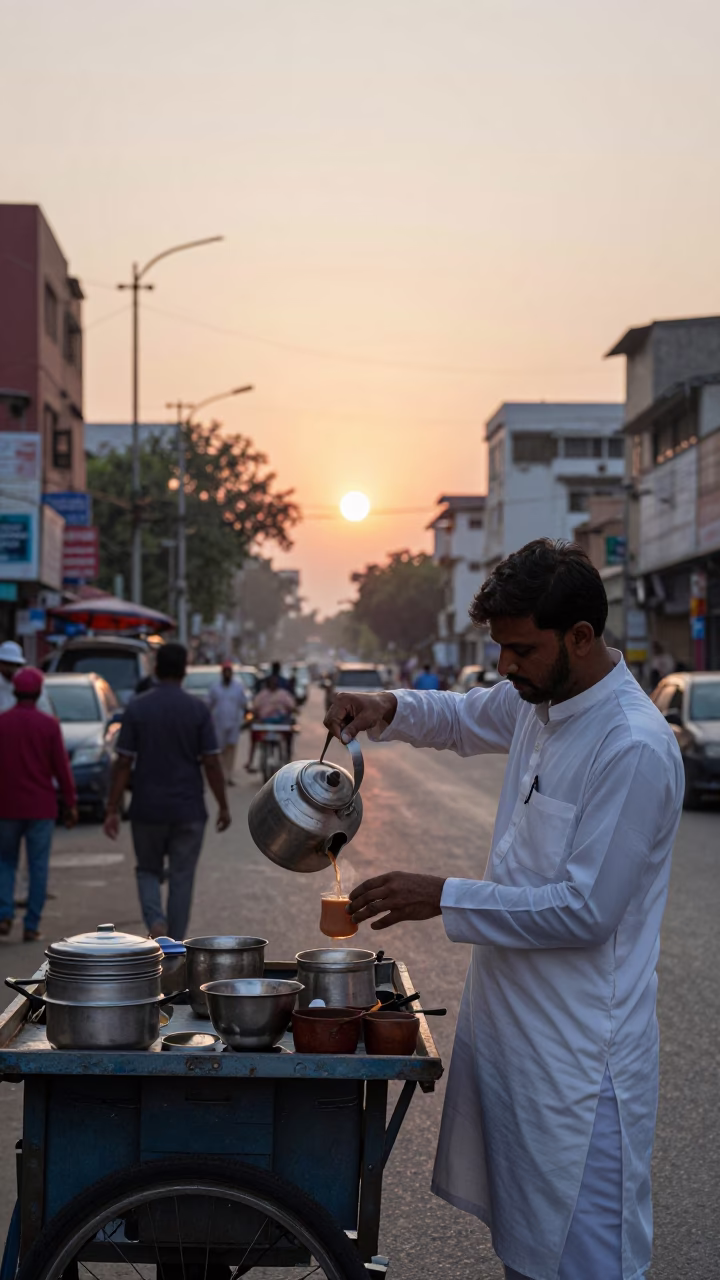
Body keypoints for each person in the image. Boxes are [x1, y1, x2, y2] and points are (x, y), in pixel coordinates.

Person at [324, 539, 684, 1280]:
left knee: (587, 1262)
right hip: (515, 1038)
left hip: (581, 1065)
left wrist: (443, 895)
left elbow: (586, 911)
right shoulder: (539, 701)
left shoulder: (631, 745)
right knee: (527, 1253)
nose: (504, 667)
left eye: (520, 650)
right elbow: (459, 718)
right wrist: (386, 706)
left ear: (580, 638)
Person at [104, 643, 231, 941]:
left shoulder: (137, 707)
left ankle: (155, 922)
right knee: (181, 877)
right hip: (189, 810)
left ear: (156, 669)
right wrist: (223, 805)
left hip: (146, 809)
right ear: (184, 671)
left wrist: (112, 807)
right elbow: (211, 763)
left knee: (147, 870)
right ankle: (174, 945)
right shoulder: (198, 709)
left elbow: (123, 763)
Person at [0, 667, 77, 941]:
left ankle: (4, 913)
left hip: (6, 806)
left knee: (5, 861)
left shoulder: (2, 722)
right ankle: (31, 924)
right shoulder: (49, 725)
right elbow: (61, 768)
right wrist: (71, 802)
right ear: (39, 692)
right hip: (40, 807)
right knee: (38, 866)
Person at [246, 672, 296, 772]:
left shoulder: (283, 694)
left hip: (280, 724)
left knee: (290, 735)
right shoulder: (262, 695)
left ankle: (288, 757)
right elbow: (254, 707)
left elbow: (291, 706)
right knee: (254, 736)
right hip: (264, 724)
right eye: (271, 682)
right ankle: (251, 761)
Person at [208, 662, 247, 785]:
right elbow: (209, 704)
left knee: (231, 749)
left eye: (229, 672)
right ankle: (220, 775)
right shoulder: (215, 687)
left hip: (234, 723)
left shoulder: (238, 687)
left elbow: (243, 703)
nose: (227, 675)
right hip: (219, 723)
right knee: (220, 750)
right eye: (225, 672)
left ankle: (228, 776)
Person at [0, 640, 53, 715]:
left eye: (14, 664)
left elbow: (44, 709)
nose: (9, 668)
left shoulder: (29, 684)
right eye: (6, 664)